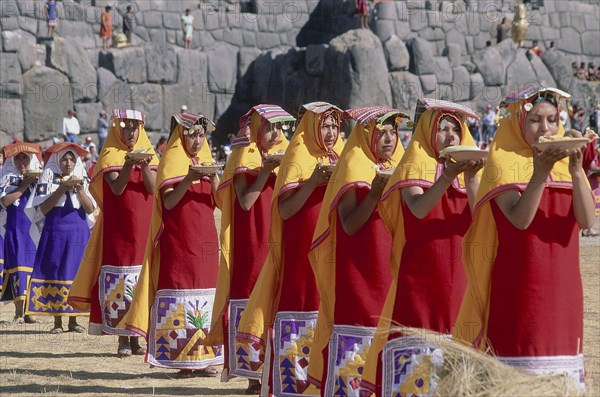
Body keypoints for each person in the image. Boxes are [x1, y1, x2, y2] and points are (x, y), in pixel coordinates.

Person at [454, 87, 595, 392]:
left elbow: (587, 220)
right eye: (534, 120)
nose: (545, 128)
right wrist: (539, 173)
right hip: (520, 290)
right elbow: (519, 220)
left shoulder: (565, 162)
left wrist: (574, 169)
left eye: (552, 119)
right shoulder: (501, 162)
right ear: (517, 121)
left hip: (563, 289)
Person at [360, 99, 484, 396]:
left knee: (459, 350)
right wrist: (448, 178)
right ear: (428, 131)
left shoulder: (469, 170)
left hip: (461, 275)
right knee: (417, 351)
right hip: (421, 278)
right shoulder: (413, 163)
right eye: (442, 128)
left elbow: (481, 214)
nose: (450, 135)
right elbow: (418, 208)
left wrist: (469, 176)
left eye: (456, 129)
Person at [237, 102, 344, 396]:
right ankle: (289, 383)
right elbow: (284, 209)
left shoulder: (337, 155)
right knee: (300, 304)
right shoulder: (297, 155)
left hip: (329, 248)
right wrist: (311, 183)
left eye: (335, 126)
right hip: (300, 250)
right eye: (325, 125)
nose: (332, 132)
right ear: (311, 126)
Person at [306, 106, 410, 396]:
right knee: (359, 332)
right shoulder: (352, 164)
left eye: (393, 132)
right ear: (367, 135)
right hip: (359, 271)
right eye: (382, 132)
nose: (389, 139)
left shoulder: (401, 162)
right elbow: (349, 224)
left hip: (391, 267)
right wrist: (376, 192)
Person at [204, 105, 293, 394]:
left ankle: (275, 368)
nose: (275, 133)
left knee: (275, 296)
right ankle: (252, 374)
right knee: (251, 293)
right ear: (255, 129)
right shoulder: (244, 154)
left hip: (279, 233)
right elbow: (244, 202)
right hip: (252, 239)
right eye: (268, 127)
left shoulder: (287, 151)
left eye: (278, 127)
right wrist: (266, 172)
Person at [125, 112, 222, 377]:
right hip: (179, 241)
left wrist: (213, 178)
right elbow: (167, 203)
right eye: (192, 135)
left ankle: (205, 357)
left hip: (205, 239)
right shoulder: (172, 157)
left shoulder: (206, 159)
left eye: (201, 135)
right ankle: (181, 360)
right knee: (181, 294)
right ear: (181, 134)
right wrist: (189, 179)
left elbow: (221, 203)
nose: (197, 140)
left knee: (204, 295)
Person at [68, 109, 159, 357]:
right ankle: (121, 338)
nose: (130, 132)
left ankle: (137, 335)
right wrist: (129, 165)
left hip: (144, 225)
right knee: (121, 277)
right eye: (126, 127)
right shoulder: (110, 155)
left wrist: (146, 165)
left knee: (140, 277)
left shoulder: (148, 152)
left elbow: (152, 190)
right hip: (119, 227)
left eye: (134, 128)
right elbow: (117, 189)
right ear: (118, 129)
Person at [26, 143, 95, 333]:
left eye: (72, 159)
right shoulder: (47, 178)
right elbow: (44, 209)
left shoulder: (82, 178)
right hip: (55, 230)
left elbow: (90, 209)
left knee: (76, 270)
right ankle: (57, 321)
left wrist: (79, 188)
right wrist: (61, 189)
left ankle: (74, 321)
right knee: (55, 269)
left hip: (78, 230)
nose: (68, 162)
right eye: (64, 159)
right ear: (57, 161)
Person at [0, 143, 43, 323]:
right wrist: (24, 185)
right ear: (12, 160)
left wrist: (34, 181)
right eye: (17, 158)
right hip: (15, 227)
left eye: (25, 157)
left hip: (34, 228)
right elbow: (5, 201)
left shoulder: (38, 177)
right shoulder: (7, 177)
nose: (21, 161)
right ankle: (20, 311)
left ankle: (30, 310)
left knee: (33, 268)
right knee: (18, 267)